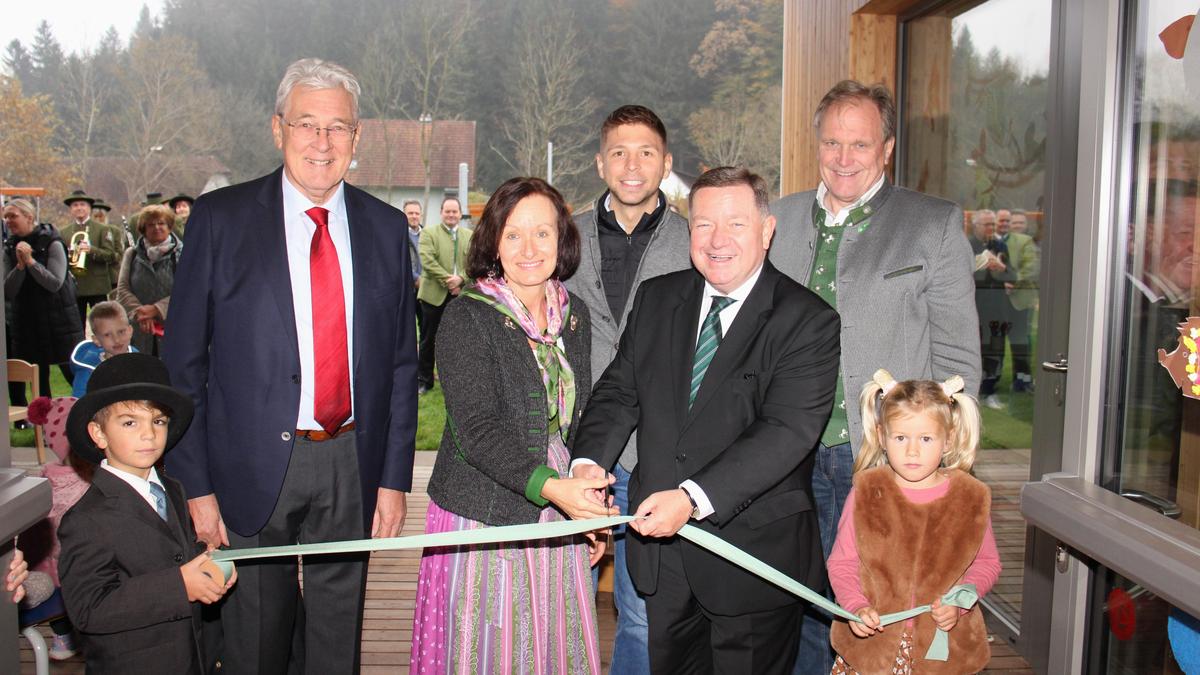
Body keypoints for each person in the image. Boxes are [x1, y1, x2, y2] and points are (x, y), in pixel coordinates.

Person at [163, 57, 417, 675]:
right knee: (256, 640)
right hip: (247, 467)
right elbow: (183, 364)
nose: (322, 142)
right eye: (307, 124)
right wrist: (196, 487)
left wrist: (393, 479)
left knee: (338, 641)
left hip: (351, 461)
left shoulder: (385, 229)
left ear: (357, 138)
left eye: (338, 128)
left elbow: (402, 365)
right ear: (278, 129)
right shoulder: (220, 221)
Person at [570, 166, 840, 673]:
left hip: (753, 562)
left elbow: (787, 433)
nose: (717, 241)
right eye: (703, 225)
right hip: (665, 560)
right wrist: (588, 462)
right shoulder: (657, 298)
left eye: (735, 224)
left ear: (766, 231)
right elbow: (619, 390)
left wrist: (692, 498)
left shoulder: (808, 320)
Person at [768, 80, 980, 673]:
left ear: (887, 148)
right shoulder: (775, 222)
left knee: (878, 609)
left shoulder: (931, 225)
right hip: (785, 454)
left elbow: (960, 354)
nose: (842, 158)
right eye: (832, 142)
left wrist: (947, 464)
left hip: (881, 460)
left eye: (859, 145)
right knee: (797, 601)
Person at [411, 176, 614, 673]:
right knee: (491, 649)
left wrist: (589, 500)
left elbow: (578, 415)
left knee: (549, 642)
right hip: (483, 510)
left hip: (556, 497)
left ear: (562, 240)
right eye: (513, 234)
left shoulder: (575, 316)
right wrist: (554, 489)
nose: (529, 248)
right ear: (493, 243)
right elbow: (477, 430)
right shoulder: (467, 317)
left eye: (542, 233)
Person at [563, 103, 692, 674]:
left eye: (645, 152)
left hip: (656, 454)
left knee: (641, 610)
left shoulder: (695, 240)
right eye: (618, 152)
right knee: (564, 599)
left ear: (665, 163)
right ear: (599, 163)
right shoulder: (564, 238)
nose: (631, 164)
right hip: (576, 449)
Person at [58, 353, 236, 673]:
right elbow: (89, 608)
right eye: (130, 422)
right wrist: (179, 586)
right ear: (99, 434)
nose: (149, 434)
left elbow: (175, 553)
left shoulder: (173, 490)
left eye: (158, 421)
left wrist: (207, 563)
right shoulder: (86, 520)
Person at [828, 370, 1000, 674]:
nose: (912, 450)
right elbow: (842, 563)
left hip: (943, 653)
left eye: (926, 438)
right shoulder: (867, 491)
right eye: (900, 437)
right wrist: (856, 607)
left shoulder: (971, 498)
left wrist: (960, 603)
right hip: (872, 651)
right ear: (882, 437)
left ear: (948, 440)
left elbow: (987, 563)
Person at [22, 395, 90, 660]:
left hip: (40, 566)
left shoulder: (42, 478)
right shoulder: (88, 484)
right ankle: (72, 635)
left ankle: (63, 637)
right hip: (72, 572)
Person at [3, 198, 84, 403]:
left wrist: (31, 262)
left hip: (59, 319)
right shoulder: (8, 247)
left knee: (72, 371)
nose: (8, 221)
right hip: (27, 321)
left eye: (13, 216)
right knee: (38, 379)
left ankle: (89, 412)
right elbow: (7, 291)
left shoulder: (52, 242)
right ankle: (44, 427)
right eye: (5, 216)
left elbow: (55, 283)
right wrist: (20, 267)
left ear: (29, 217)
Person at [417, 196, 472, 394]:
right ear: (441, 213)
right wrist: (450, 281)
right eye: (447, 211)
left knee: (459, 340)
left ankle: (457, 381)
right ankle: (424, 381)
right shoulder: (429, 234)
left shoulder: (469, 235)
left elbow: (475, 263)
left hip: (461, 296)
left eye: (454, 211)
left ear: (459, 213)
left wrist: (462, 280)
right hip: (433, 296)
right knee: (428, 340)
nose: (451, 215)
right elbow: (427, 261)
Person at [115, 203, 183, 356]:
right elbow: (123, 289)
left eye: (161, 223)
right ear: (143, 229)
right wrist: (142, 314)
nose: (156, 227)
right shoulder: (131, 254)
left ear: (170, 227)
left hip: (175, 328)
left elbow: (190, 291)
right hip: (140, 330)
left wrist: (157, 309)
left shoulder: (185, 254)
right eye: (151, 224)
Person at [968, 209, 1015, 410]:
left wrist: (1002, 269)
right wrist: (981, 266)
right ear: (975, 226)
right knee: (975, 350)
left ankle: (990, 391)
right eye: (987, 225)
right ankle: (972, 392)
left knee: (995, 350)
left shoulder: (1000, 245)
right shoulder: (967, 245)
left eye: (993, 225)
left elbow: (1012, 275)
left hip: (997, 308)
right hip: (974, 307)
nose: (991, 229)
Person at [59, 189, 126, 322]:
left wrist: (91, 250)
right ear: (70, 210)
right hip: (75, 285)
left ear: (89, 208)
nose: (79, 208)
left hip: (97, 285)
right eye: (75, 205)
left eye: (82, 205)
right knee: (76, 323)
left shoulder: (102, 229)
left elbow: (111, 256)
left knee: (101, 323)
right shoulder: (64, 232)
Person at [997, 209, 1040, 393]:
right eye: (1004, 221)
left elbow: (1031, 268)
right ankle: (990, 381)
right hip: (996, 301)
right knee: (994, 342)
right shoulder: (990, 241)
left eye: (1011, 222)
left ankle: (1022, 380)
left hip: (1019, 300)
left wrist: (1013, 282)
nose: (1006, 224)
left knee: (1020, 341)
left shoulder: (1025, 242)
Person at [70, 300, 136, 397]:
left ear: (130, 331)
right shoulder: (88, 372)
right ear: (96, 340)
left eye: (121, 331)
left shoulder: (137, 359)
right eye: (107, 335)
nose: (116, 340)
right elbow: (78, 403)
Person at [403, 199, 424, 334]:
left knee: (425, 328)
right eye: (410, 213)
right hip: (407, 288)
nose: (414, 216)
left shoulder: (428, 235)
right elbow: (401, 261)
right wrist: (416, 278)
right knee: (406, 329)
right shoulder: (399, 235)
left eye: (416, 213)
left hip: (426, 290)